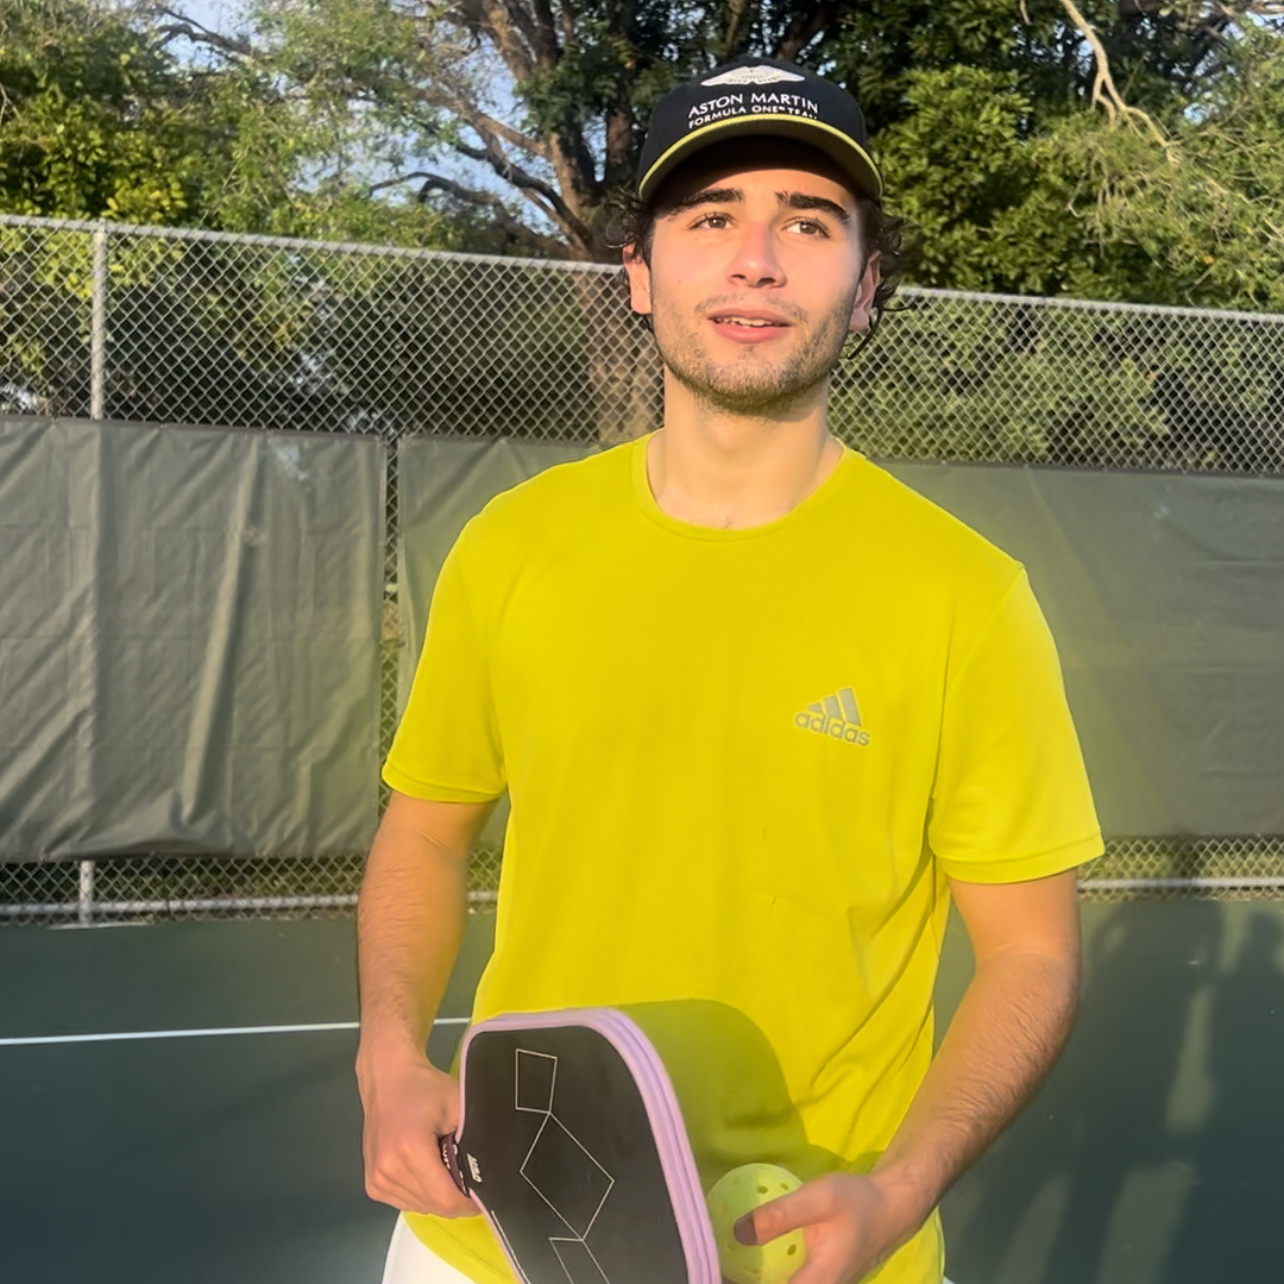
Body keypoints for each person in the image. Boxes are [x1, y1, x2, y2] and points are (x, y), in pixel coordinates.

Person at [356, 54, 1102, 1284]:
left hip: (812, 1254)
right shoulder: (512, 549)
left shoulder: (968, 595)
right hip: (493, 1238)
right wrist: (387, 1054)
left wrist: (901, 1191)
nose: (757, 258)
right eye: (712, 219)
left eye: (808, 224)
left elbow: (1031, 953)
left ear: (865, 288)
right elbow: (424, 832)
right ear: (641, 278)